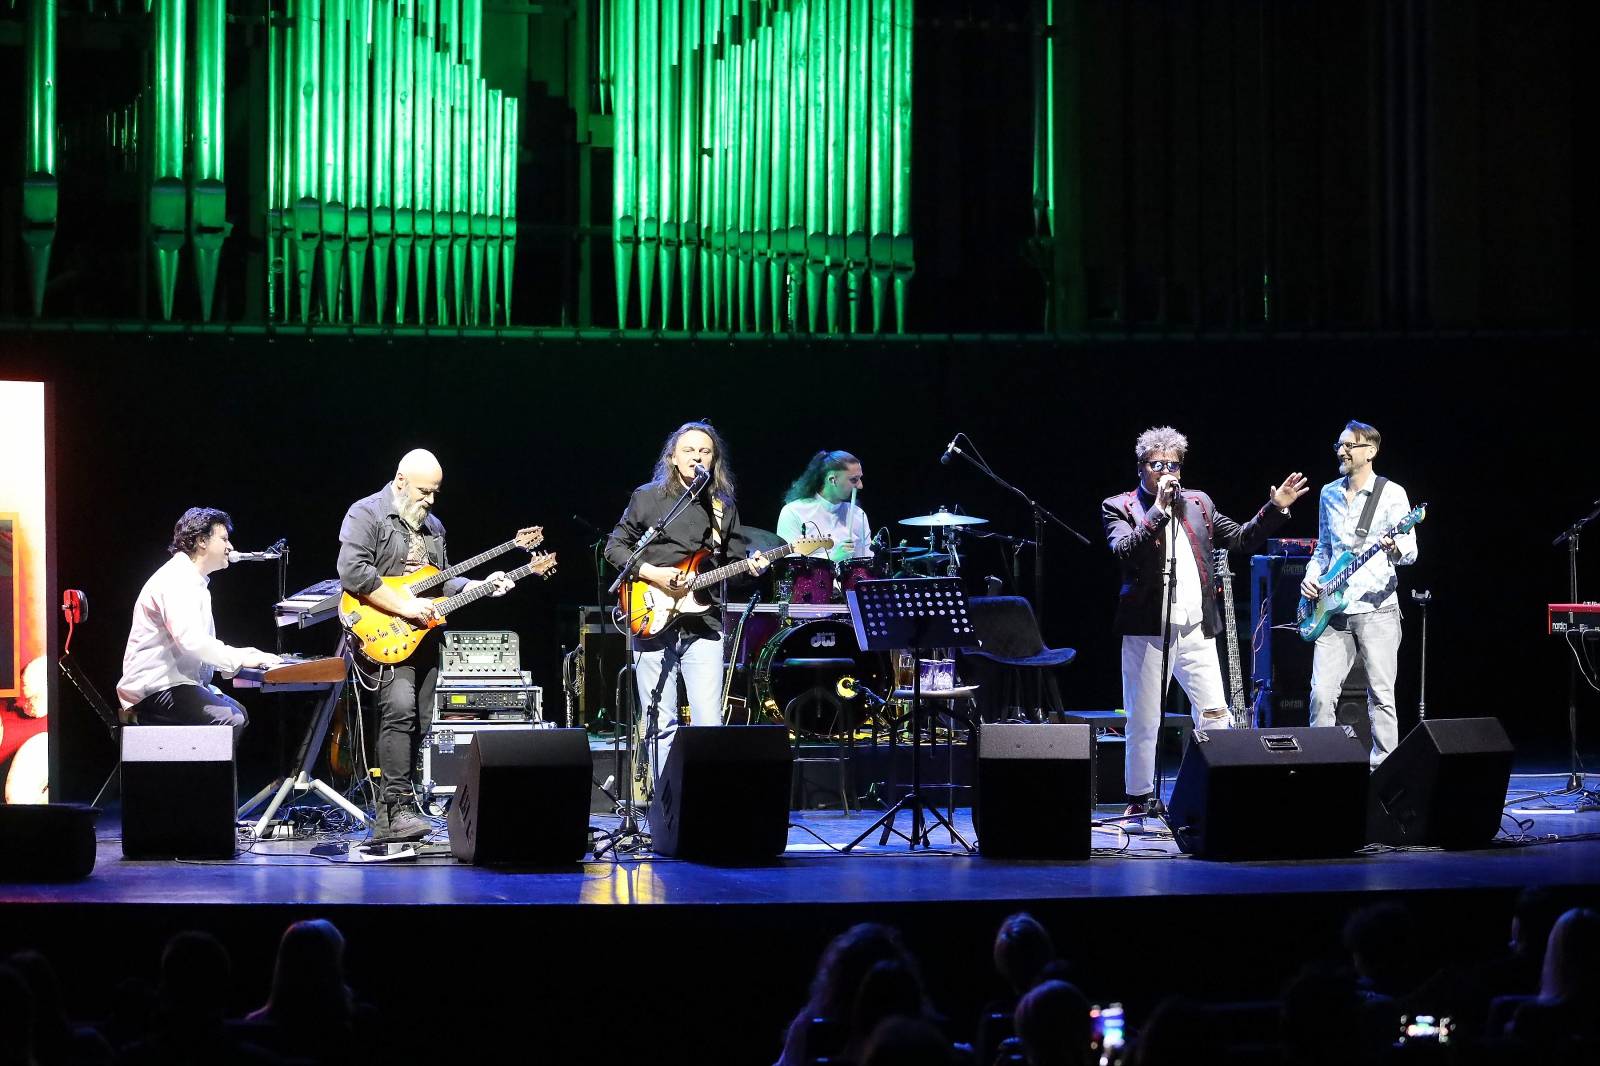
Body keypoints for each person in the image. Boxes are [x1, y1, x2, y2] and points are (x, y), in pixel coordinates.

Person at [1103, 427, 1308, 821]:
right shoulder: (1120, 506)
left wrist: (1273, 509)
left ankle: (1217, 784)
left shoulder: (1199, 503)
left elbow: (1243, 539)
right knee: (1144, 719)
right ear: (1142, 467)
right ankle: (1141, 798)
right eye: (1158, 464)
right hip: (1148, 629)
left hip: (1196, 626)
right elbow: (1124, 551)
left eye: (1173, 465)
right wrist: (1158, 511)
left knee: (1216, 712)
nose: (1167, 472)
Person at [337, 449, 513, 842]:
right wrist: (404, 605)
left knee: (422, 716)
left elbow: (442, 580)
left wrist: (481, 585)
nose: (430, 500)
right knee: (398, 712)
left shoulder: (434, 527)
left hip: (421, 635)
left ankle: (400, 809)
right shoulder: (366, 513)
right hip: (382, 630)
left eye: (435, 492)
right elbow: (353, 571)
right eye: (423, 491)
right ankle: (393, 811)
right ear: (400, 480)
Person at [605, 422, 767, 778]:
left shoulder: (722, 505)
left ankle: (703, 803)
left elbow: (733, 567)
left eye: (705, 451)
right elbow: (614, 547)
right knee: (659, 721)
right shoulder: (647, 497)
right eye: (689, 450)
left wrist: (750, 568)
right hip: (648, 615)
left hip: (703, 624)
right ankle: (666, 805)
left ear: (714, 460)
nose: (697, 457)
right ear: (673, 457)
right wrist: (655, 574)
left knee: (708, 723)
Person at [1301, 420, 1418, 768]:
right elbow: (1324, 549)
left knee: (1381, 697)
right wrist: (1311, 577)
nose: (1341, 451)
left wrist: (1394, 547)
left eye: (1349, 446)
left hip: (1377, 609)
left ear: (1371, 451)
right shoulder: (1328, 493)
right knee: (1321, 695)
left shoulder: (1392, 493)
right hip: (1332, 611)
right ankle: (1321, 769)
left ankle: (1383, 774)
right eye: (1339, 445)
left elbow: (1411, 549)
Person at [117, 507, 280, 746]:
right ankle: (199, 781)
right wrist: (240, 658)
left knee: (240, 714)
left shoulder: (193, 581)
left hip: (175, 684)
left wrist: (244, 656)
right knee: (231, 720)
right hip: (154, 689)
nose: (230, 547)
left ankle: (204, 779)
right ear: (202, 541)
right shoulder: (177, 579)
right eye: (223, 539)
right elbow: (191, 641)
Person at [777, 450, 873, 563]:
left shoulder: (858, 514)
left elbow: (867, 563)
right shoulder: (793, 512)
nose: (860, 485)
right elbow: (790, 566)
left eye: (860, 478)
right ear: (833, 480)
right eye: (854, 480)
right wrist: (832, 559)